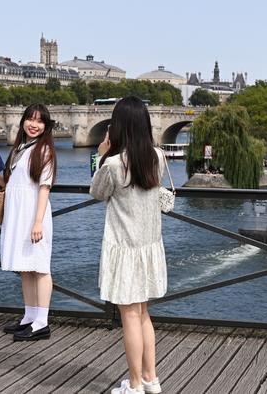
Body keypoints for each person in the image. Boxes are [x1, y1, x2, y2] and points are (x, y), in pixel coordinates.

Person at [90, 96, 167, 394]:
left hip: (123, 247)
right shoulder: (158, 157)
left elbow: (97, 192)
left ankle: (134, 385)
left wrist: (99, 155)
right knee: (143, 313)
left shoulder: (113, 164)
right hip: (149, 245)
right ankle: (151, 378)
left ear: (118, 127)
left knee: (129, 316)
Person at [0, 103, 57, 341]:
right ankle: (29, 317)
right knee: (25, 268)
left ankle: (42, 322)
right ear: (23, 121)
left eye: (39, 121)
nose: (34, 125)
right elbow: (10, 183)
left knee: (40, 268)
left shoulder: (44, 151)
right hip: (18, 214)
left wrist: (38, 222)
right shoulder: (20, 148)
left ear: (46, 126)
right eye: (30, 119)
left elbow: (44, 188)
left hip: (34, 214)